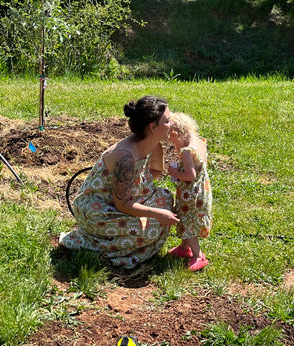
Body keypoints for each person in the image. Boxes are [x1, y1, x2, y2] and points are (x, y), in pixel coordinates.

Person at [59, 95, 179, 269]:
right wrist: (156, 213)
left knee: (165, 198)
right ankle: (89, 243)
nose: (172, 124)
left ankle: (120, 241)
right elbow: (122, 204)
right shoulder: (125, 157)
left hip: (123, 200)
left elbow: (156, 170)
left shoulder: (155, 145)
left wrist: (140, 188)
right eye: (168, 121)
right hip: (97, 209)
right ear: (152, 127)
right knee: (153, 227)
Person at [167, 112, 212, 271]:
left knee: (188, 223)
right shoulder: (199, 141)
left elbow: (190, 175)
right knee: (186, 221)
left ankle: (198, 256)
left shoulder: (186, 151)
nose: (172, 144)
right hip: (201, 191)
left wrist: (173, 173)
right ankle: (184, 248)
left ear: (177, 134)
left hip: (190, 195)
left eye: (171, 139)